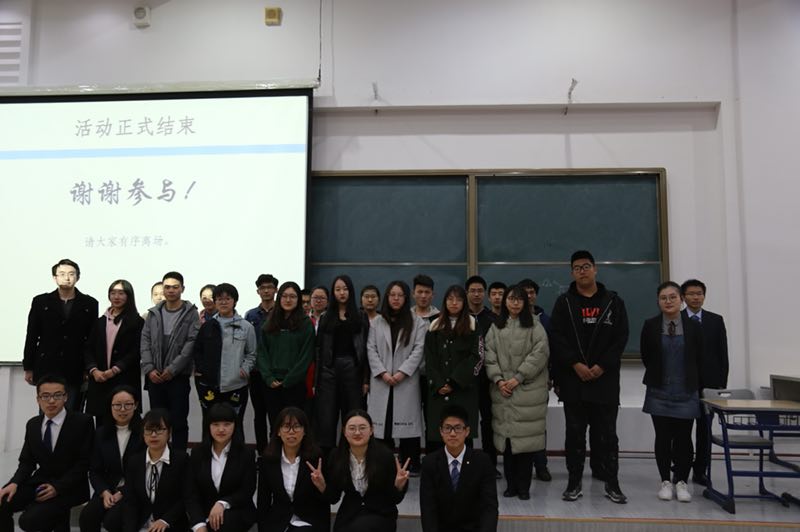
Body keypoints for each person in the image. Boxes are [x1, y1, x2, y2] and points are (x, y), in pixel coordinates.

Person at [549, 250, 629, 504]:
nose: (582, 271)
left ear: (595, 269)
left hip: (605, 381)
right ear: (572, 273)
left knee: (608, 436)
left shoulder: (613, 302)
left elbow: (621, 337)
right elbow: (556, 337)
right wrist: (575, 364)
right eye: (577, 268)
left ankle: (612, 484)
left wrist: (602, 366)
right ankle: (574, 483)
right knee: (574, 435)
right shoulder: (564, 302)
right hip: (574, 380)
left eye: (586, 266)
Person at [0, 374, 94, 532]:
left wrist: (58, 487)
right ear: (38, 399)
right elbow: (27, 462)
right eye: (45, 396)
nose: (51, 401)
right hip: (41, 482)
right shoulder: (33, 424)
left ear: (66, 397)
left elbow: (84, 463)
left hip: (71, 486)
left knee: (29, 521)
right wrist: (14, 483)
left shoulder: (83, 422)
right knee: (2, 501)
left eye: (57, 395)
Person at [484, 285, 549, 500]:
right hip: (503, 392)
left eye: (519, 299)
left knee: (525, 446)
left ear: (525, 302)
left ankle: (524, 488)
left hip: (527, 392)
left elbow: (540, 354)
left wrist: (517, 378)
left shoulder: (535, 326)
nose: (514, 303)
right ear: (505, 302)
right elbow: (489, 355)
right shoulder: (496, 326)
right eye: (511, 299)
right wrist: (499, 380)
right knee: (508, 444)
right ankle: (511, 486)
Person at [641, 281, 704, 503]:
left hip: (686, 391)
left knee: (684, 438)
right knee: (662, 437)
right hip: (659, 390)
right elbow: (646, 356)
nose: (668, 301)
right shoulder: (650, 325)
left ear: (681, 300)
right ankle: (665, 481)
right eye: (663, 298)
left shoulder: (694, 326)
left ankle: (681, 481)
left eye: (673, 297)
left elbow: (699, 358)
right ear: (658, 301)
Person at [367, 280, 427, 475]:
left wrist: (401, 372)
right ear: (387, 297)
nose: (396, 298)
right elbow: (371, 349)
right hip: (382, 380)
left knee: (407, 425)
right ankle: (383, 465)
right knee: (382, 425)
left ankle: (411, 465)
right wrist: (383, 373)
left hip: (406, 381)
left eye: (400, 295)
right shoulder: (377, 322)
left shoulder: (417, 322)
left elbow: (419, 350)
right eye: (392, 295)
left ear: (406, 298)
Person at [314, 410, 410, 532]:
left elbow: (395, 499)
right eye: (352, 428)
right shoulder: (336, 456)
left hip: (380, 513)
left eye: (362, 428)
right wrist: (322, 485)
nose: (357, 432)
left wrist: (399, 486)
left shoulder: (384, 455)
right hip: (349, 513)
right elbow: (334, 498)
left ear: (371, 430)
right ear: (344, 432)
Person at [23, 258, 99, 411]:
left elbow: (92, 340)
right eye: (62, 274)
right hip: (47, 365)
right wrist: (28, 367)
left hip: (75, 367)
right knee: (48, 411)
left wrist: (89, 368)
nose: (67, 278)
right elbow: (32, 335)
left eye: (71, 274)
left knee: (72, 412)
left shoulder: (89, 303)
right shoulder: (41, 302)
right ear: (55, 278)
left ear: (78, 277)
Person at [140, 271, 199, 452]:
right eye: (167, 287)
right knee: (157, 422)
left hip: (178, 377)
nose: (171, 290)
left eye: (175, 287)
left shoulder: (191, 313)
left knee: (179, 421)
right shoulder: (153, 313)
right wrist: (149, 369)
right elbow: (145, 341)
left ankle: (179, 458)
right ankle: (158, 456)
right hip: (155, 377)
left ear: (182, 289)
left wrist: (172, 369)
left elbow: (191, 344)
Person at [192, 283, 257, 442]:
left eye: (227, 299)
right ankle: (208, 456)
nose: (223, 302)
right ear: (215, 302)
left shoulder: (246, 327)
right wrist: (201, 370)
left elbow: (252, 353)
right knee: (210, 424)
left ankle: (237, 456)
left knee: (235, 424)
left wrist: (245, 368)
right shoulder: (208, 326)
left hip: (236, 385)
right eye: (219, 299)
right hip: (210, 385)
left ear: (235, 301)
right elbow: (198, 350)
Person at [680, 278, 729, 486]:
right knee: (682, 430)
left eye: (699, 293)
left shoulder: (715, 320)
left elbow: (722, 354)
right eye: (691, 294)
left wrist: (720, 386)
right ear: (683, 297)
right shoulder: (676, 319)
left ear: (704, 296)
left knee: (704, 431)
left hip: (708, 386)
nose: (696, 297)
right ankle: (680, 469)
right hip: (683, 384)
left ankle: (700, 471)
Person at [315, 275, 370, 454]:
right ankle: (327, 458)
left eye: (345, 289)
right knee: (327, 418)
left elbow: (366, 350)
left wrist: (365, 379)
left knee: (352, 415)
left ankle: (350, 455)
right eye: (338, 289)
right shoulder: (325, 317)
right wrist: (317, 380)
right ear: (333, 292)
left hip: (353, 370)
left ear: (351, 291)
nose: (342, 293)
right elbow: (319, 350)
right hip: (329, 370)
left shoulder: (360, 316)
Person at [420, 405, 498, 532]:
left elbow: (489, 507)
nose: (452, 434)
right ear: (441, 431)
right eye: (447, 428)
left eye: (458, 428)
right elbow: (428, 509)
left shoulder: (482, 462)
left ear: (467, 431)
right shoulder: (430, 463)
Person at [79, 385, 145, 532]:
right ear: (110, 406)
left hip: (135, 490)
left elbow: (145, 470)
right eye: (117, 405)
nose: (122, 409)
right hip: (108, 489)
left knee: (113, 521)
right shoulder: (100, 434)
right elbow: (94, 470)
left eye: (128, 404)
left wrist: (122, 492)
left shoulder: (144, 433)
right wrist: (104, 492)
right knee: (87, 516)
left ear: (136, 405)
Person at [424, 285, 480, 453]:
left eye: (458, 299)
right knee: (438, 436)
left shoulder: (473, 325)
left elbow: (477, 357)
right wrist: (439, 383)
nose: (454, 303)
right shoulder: (435, 325)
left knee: (463, 435)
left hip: (463, 390)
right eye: (450, 299)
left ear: (464, 302)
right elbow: (429, 359)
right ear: (445, 301)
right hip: (439, 391)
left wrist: (454, 382)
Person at [186, 404, 257, 532]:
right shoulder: (197, 453)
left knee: (223, 523)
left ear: (235, 426)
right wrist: (199, 524)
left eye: (227, 424)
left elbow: (247, 490)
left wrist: (222, 503)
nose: (221, 429)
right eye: (215, 424)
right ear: (208, 426)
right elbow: (192, 493)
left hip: (236, 511)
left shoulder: (246, 454)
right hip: (205, 512)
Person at [257, 407, 329, 532]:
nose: (291, 432)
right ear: (278, 431)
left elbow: (329, 499)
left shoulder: (316, 458)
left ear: (304, 431)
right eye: (286, 426)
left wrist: (322, 486)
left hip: (308, 521)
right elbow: (263, 500)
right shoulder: (268, 460)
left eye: (297, 426)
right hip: (278, 521)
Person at [85, 280, 145, 425]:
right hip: (100, 379)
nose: (116, 297)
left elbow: (137, 350)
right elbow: (88, 348)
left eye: (121, 293)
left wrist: (115, 369)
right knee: (101, 423)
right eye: (113, 293)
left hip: (124, 378)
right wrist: (94, 370)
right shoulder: (100, 321)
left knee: (126, 422)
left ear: (129, 296)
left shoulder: (137, 322)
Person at [122, 409, 188, 532]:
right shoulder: (134, 462)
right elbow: (130, 501)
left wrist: (165, 520)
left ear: (169, 432)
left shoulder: (181, 460)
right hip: (142, 524)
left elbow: (186, 497)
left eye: (159, 430)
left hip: (170, 525)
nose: (153, 435)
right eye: (148, 430)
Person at [259, 281, 316, 425]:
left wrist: (290, 380)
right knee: (275, 426)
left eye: (292, 296)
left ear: (298, 300)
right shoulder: (269, 323)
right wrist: (269, 378)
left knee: (294, 425)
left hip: (295, 385)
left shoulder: (305, 324)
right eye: (284, 296)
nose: (288, 300)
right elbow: (262, 353)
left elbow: (306, 355)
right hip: (272, 384)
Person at [464, 276, 500, 478]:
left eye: (480, 291)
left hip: (489, 380)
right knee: (466, 423)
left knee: (489, 423)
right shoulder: (461, 318)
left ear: (485, 294)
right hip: (467, 381)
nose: (476, 294)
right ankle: (467, 464)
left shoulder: (493, 319)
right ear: (467, 293)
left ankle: (490, 464)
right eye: (473, 291)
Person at [517, 278, 552, 481]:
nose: (528, 296)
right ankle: (521, 468)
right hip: (515, 382)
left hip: (539, 381)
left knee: (537, 425)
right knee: (518, 425)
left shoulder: (545, 320)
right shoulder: (510, 320)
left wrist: (552, 377)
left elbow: (551, 351)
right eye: (524, 292)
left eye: (531, 292)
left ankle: (541, 465)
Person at [245, 273, 279, 453]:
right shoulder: (250, 315)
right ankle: (261, 453)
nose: (266, 291)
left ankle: (274, 451)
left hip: (274, 373)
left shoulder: (281, 312)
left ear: (276, 290)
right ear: (258, 291)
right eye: (262, 288)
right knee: (259, 414)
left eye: (270, 287)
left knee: (275, 414)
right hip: (256, 372)